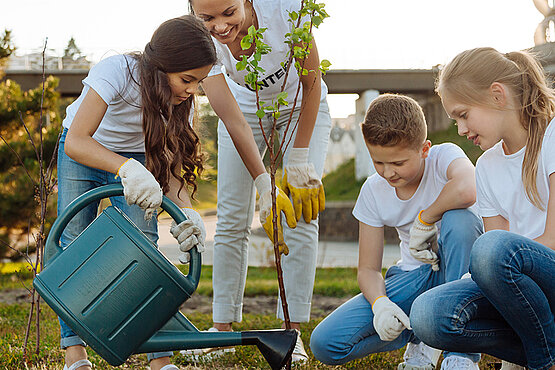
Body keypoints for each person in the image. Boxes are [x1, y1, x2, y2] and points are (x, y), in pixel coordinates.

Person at [56, 16, 217, 370]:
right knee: (73, 245)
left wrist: (188, 214)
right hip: (84, 150)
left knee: (143, 249)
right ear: (162, 68)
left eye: (199, 82)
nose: (192, 90)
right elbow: (79, 141)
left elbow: (172, 169)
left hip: (139, 158)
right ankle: (75, 353)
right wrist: (125, 168)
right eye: (186, 80)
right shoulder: (116, 71)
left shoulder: (180, 103)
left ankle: (158, 357)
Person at [185, 0, 332, 363]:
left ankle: (291, 331)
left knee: (300, 214)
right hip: (243, 113)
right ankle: (221, 330)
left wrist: (298, 160)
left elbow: (312, 85)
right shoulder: (198, 40)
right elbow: (232, 119)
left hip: (300, 105)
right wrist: (263, 181)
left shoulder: (286, 10)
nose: (219, 26)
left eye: (228, 12)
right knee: (232, 218)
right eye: (207, 18)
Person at [309, 94, 484, 369]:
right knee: (325, 343)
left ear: (424, 149)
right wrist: (380, 305)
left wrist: (426, 219)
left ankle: (459, 353)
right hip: (414, 278)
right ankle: (421, 332)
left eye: (398, 163)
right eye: (378, 162)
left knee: (460, 219)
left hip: (459, 273)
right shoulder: (372, 191)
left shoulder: (443, 157)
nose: (388, 173)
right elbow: (367, 269)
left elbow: (467, 188)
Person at [410, 47, 555, 370]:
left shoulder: (553, 135)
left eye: (464, 115)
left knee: (490, 249)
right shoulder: (487, 165)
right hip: (524, 296)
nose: (461, 129)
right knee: (428, 315)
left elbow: (549, 240)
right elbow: (494, 263)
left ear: (497, 95)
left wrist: (490, 263)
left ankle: (542, 362)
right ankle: (541, 349)